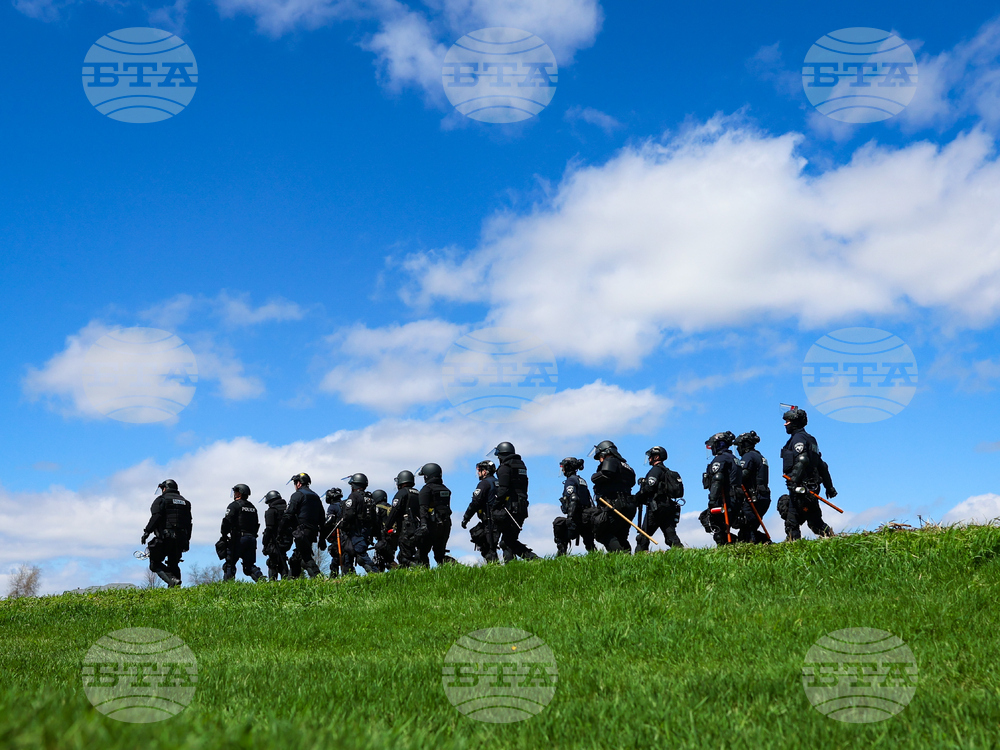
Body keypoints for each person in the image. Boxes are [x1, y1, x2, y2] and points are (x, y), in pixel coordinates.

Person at [780, 407, 837, 541]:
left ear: (795, 422)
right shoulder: (811, 439)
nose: (785, 424)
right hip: (812, 487)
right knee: (815, 522)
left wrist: (794, 481)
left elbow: (802, 459)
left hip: (801, 487)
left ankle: (794, 547)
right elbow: (822, 465)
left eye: (787, 421)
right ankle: (832, 538)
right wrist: (830, 487)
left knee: (791, 521)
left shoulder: (798, 439)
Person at [492, 442, 539, 561]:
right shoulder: (521, 466)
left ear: (502, 454)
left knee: (507, 542)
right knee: (509, 540)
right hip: (522, 506)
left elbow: (503, 489)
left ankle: (533, 559)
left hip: (511, 508)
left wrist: (495, 505)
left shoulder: (504, 468)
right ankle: (517, 565)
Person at [141, 479, 192, 587]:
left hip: (166, 536)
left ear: (165, 488)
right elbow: (189, 523)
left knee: (154, 564)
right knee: (174, 563)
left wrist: (147, 532)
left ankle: (172, 580)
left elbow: (156, 517)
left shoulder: (162, 499)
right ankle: (176, 588)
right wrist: (187, 540)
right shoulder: (186, 503)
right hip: (181, 538)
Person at [590, 440, 638, 553]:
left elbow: (606, 474)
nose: (600, 460)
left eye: (600, 457)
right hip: (629, 503)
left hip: (614, 504)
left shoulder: (610, 461)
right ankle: (628, 560)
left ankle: (620, 557)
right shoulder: (627, 467)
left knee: (602, 532)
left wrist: (594, 477)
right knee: (620, 535)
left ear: (605, 453)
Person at [634, 447, 685, 550]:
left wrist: (636, 498)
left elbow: (650, 487)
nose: (649, 459)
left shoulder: (655, 470)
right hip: (669, 506)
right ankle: (681, 552)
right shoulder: (666, 471)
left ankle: (639, 557)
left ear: (656, 457)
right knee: (670, 535)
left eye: (651, 457)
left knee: (643, 536)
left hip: (656, 507)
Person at [698, 432, 742, 546]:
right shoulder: (734, 458)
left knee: (714, 524)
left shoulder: (721, 459)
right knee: (723, 526)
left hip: (725, 498)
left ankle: (726, 547)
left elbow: (718, 479)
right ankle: (734, 544)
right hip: (736, 497)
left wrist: (712, 500)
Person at [219, 483, 264, 581]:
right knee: (249, 566)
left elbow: (227, 521)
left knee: (229, 565)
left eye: (235, 492)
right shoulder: (253, 508)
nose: (234, 494)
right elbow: (256, 524)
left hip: (238, 539)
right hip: (251, 539)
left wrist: (223, 535)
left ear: (239, 493)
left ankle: (228, 587)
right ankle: (261, 579)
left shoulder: (234, 506)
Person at [282, 472, 323, 578]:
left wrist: (281, 530)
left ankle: (318, 578)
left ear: (299, 483)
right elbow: (322, 517)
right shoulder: (316, 496)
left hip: (301, 530)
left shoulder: (297, 495)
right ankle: (291, 582)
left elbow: (289, 514)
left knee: (305, 557)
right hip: (313, 531)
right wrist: (322, 538)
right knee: (296, 558)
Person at [734, 431, 772, 544]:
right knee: (749, 528)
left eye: (739, 446)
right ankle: (765, 543)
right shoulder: (760, 456)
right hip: (763, 496)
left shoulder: (749, 456)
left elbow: (743, 475)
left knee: (747, 527)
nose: (738, 449)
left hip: (753, 497)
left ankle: (755, 546)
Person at [552, 457, 595, 556]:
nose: (562, 470)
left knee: (558, 523)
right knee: (589, 544)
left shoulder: (570, 481)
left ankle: (561, 554)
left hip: (577, 516)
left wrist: (571, 518)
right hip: (587, 516)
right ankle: (594, 555)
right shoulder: (581, 480)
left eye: (563, 467)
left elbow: (573, 498)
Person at [417, 463, 458, 565]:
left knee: (422, 553)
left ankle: (424, 575)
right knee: (439, 554)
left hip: (432, 524)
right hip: (446, 525)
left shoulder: (426, 490)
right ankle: (457, 568)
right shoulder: (445, 489)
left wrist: (423, 525)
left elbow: (423, 509)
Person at [461, 460, 500, 563]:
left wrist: (466, 518)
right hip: (500, 518)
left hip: (489, 520)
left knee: (487, 546)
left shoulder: (484, 484)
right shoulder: (498, 483)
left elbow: (475, 503)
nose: (478, 473)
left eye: (479, 470)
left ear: (485, 472)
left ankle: (495, 569)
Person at [386, 470, 425, 567]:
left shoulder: (402, 493)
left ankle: (418, 568)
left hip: (406, 527)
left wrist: (387, 526)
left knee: (404, 557)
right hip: (417, 526)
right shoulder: (418, 493)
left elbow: (395, 510)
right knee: (411, 552)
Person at [341, 473, 378, 573]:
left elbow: (349, 514)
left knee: (361, 554)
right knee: (348, 553)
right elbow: (374, 517)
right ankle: (347, 576)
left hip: (356, 531)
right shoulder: (370, 498)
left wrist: (343, 526)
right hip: (366, 532)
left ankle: (375, 572)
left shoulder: (353, 496)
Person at [261, 490, 292, 580]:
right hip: (287, 540)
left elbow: (269, 528)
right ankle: (286, 580)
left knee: (273, 562)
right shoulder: (287, 510)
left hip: (275, 540)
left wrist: (265, 542)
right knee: (282, 559)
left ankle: (272, 582)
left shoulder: (271, 511)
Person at [321, 487, 347, 577]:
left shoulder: (332, 507)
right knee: (346, 556)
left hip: (338, 535)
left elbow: (330, 520)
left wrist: (323, 526)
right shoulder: (344, 504)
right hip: (347, 535)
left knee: (336, 556)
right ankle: (348, 574)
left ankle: (334, 576)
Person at [370, 489, 397, 571]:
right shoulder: (390, 508)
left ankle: (394, 569)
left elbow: (375, 522)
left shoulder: (377, 508)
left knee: (383, 557)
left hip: (382, 536)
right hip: (393, 536)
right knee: (389, 555)